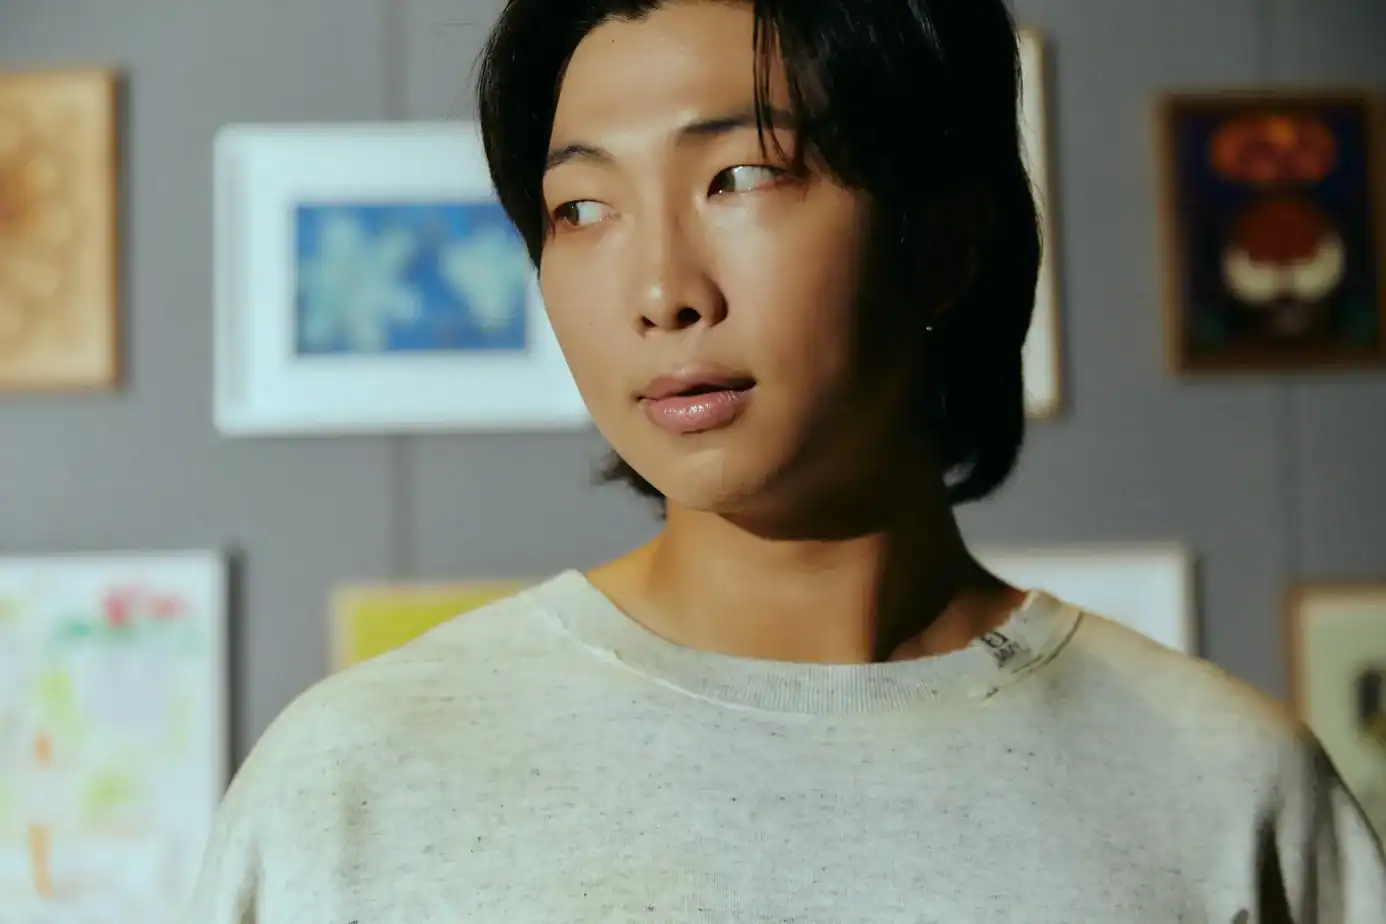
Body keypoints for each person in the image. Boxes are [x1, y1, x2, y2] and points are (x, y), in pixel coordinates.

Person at [182, 1, 1386, 921]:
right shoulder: (358, 783)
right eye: (581, 210)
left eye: (742, 177)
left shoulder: (1225, 792)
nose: (660, 291)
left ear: (944, 236)